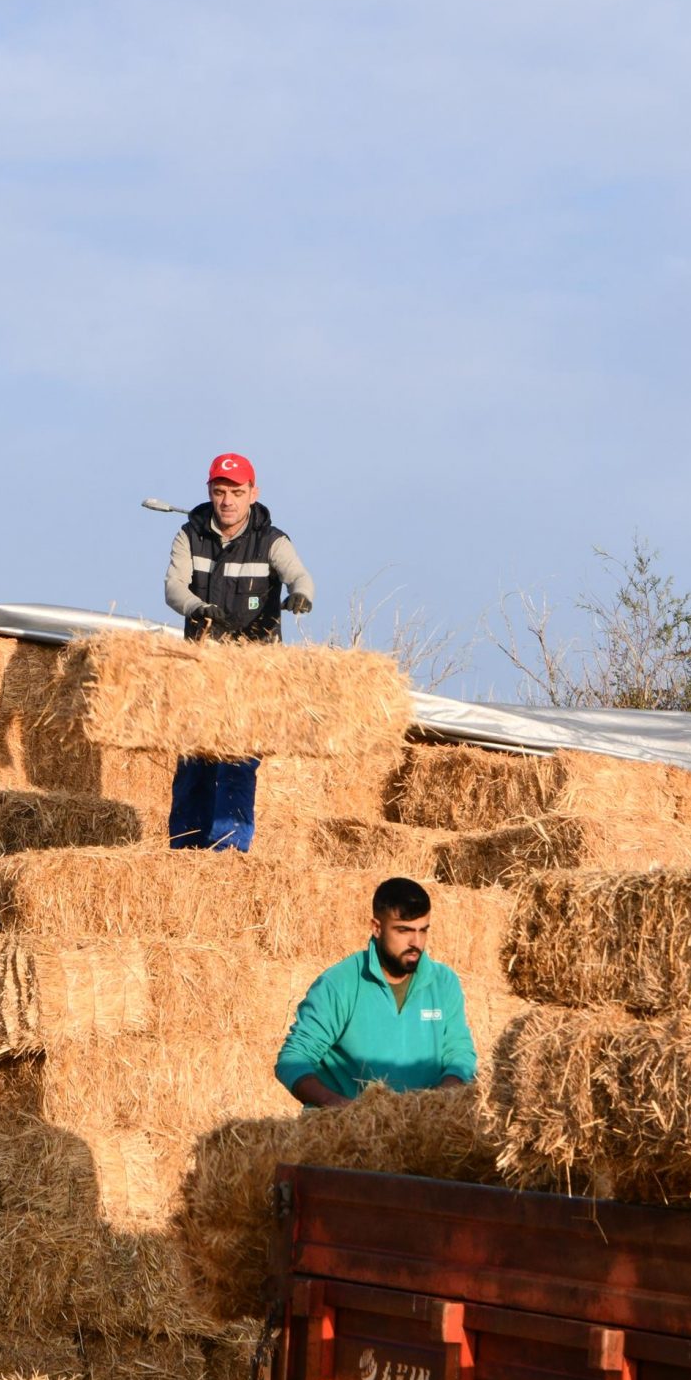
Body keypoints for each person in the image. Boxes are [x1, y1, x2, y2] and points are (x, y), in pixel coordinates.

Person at [162, 452, 315, 851]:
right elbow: (174, 587)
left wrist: (300, 594)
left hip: (254, 676)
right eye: (219, 491)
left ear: (253, 493)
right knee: (194, 763)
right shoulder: (189, 535)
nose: (227, 500)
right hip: (201, 670)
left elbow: (298, 574)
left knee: (238, 765)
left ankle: (228, 852)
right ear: (209, 492)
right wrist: (197, 607)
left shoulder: (272, 541)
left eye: (236, 492)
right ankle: (183, 850)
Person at [275, 878, 476, 1109]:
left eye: (423, 930)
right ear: (376, 928)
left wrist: (434, 1105)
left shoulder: (444, 982)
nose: (416, 942)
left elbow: (460, 1055)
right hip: (347, 1136)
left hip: (423, 1134)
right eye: (404, 930)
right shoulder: (339, 983)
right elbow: (293, 1059)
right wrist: (342, 1109)